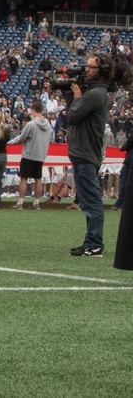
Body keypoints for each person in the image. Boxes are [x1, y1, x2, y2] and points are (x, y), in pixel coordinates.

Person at [66, 52, 113, 257]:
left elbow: (73, 116)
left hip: (85, 153)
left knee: (92, 200)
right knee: (87, 200)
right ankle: (90, 241)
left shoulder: (95, 94)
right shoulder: (97, 93)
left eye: (91, 67)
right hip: (85, 152)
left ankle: (95, 243)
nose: (86, 69)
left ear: (101, 70)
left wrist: (76, 99)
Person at [10, 100, 54, 210]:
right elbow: (52, 139)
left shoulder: (31, 124)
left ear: (34, 111)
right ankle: (36, 203)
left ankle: (20, 203)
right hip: (41, 155)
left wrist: (10, 142)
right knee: (38, 178)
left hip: (29, 155)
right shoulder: (48, 125)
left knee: (24, 178)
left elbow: (21, 138)